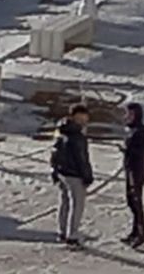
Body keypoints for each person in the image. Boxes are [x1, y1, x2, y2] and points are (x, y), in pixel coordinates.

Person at [51, 102, 94, 246]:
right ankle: (72, 235)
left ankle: (63, 232)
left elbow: (54, 152)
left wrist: (55, 170)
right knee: (77, 204)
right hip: (74, 174)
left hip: (62, 172)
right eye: (80, 118)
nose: (83, 121)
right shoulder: (77, 136)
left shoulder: (61, 130)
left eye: (84, 118)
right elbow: (81, 158)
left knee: (65, 203)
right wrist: (87, 175)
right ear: (73, 117)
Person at [122, 102, 144, 248]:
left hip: (137, 169)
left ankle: (141, 233)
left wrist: (128, 150)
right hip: (131, 168)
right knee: (130, 200)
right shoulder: (132, 130)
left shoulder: (140, 131)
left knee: (136, 201)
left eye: (130, 114)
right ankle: (134, 231)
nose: (127, 117)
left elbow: (143, 151)